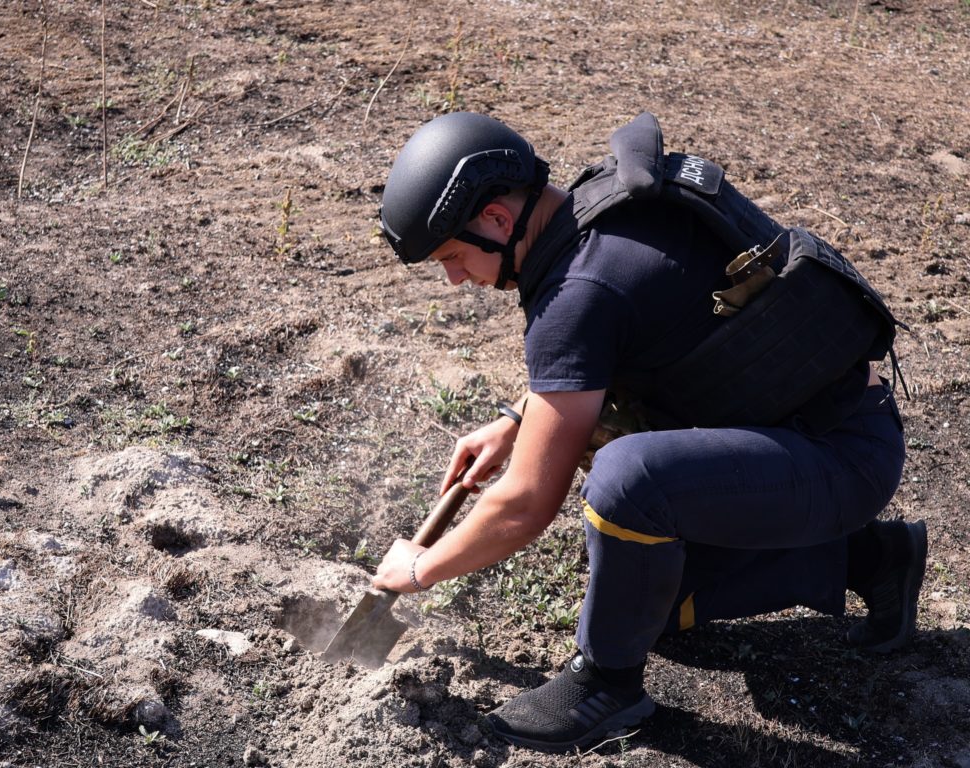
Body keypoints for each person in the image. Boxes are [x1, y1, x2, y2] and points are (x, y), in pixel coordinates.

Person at [369, 111, 927, 754]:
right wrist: (517, 420)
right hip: (823, 431)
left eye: (453, 256)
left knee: (627, 482)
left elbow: (524, 504)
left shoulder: (575, 295)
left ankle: (607, 685)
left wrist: (421, 568)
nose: (456, 277)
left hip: (836, 459)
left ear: (496, 219)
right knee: (652, 605)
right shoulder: (597, 205)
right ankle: (877, 560)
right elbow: (631, 330)